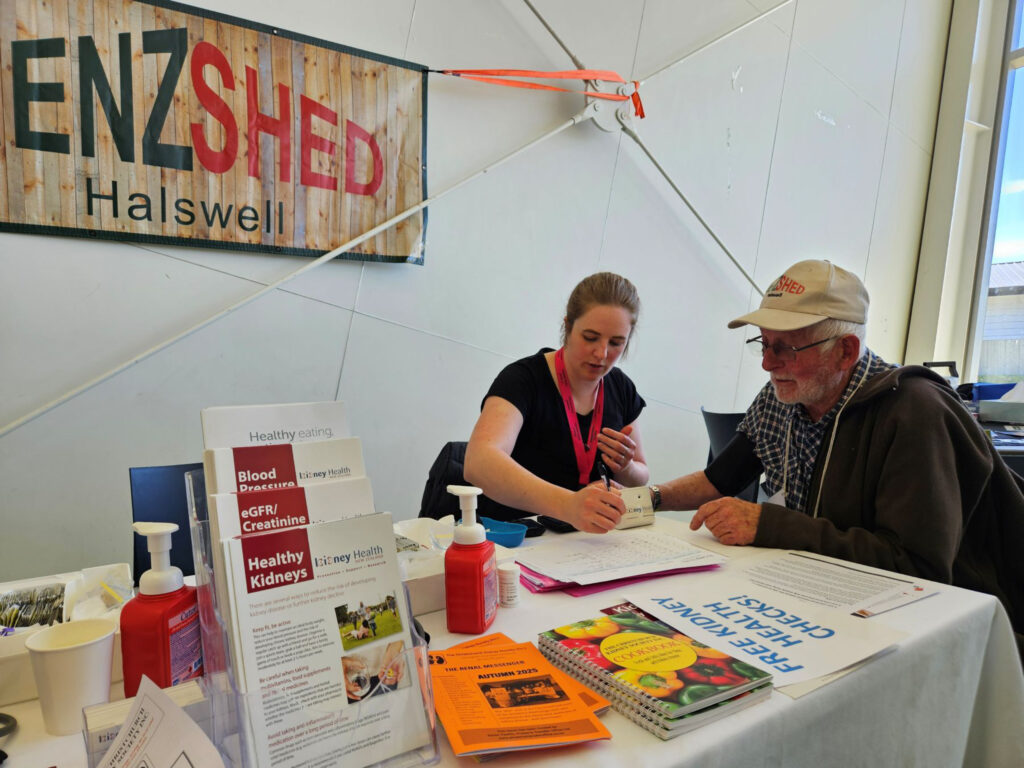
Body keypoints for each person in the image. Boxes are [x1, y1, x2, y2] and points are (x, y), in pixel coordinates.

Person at [652, 259, 1024, 653]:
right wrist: (645, 499)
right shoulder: (784, 395)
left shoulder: (914, 411)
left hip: (955, 630)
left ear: (845, 351)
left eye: (785, 348)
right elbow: (719, 479)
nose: (767, 363)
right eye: (764, 343)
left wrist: (771, 525)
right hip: (830, 605)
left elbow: (917, 568)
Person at [465, 272, 649, 532]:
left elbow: (641, 477)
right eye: (590, 337)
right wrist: (569, 504)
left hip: (584, 540)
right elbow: (479, 463)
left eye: (617, 343)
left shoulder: (621, 388)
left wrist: (626, 467)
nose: (602, 353)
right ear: (568, 326)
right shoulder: (523, 379)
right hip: (518, 536)